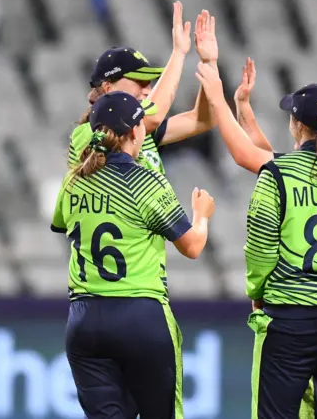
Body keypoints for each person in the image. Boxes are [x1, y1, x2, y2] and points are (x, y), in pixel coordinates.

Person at [201, 76, 317, 417]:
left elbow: (260, 249)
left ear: (297, 125)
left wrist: (257, 292)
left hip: (292, 320)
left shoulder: (278, 174)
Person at [51, 91, 215, 418]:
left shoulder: (74, 180)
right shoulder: (145, 181)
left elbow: (60, 223)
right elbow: (192, 246)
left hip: (85, 320)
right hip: (139, 315)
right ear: (135, 132)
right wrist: (202, 215)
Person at [69, 2, 218, 176]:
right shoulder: (86, 135)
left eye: (149, 83)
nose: (147, 90)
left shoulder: (139, 132)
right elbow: (153, 116)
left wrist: (209, 63)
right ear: (108, 87)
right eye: (139, 82)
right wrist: (178, 53)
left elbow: (203, 119)